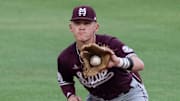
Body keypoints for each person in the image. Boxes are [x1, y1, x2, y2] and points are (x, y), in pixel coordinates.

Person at [57, 5, 148, 101]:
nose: (81, 27)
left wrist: (118, 62)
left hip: (129, 95)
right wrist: (70, 95)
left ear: (96, 27)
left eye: (87, 23)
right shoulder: (66, 58)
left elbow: (140, 64)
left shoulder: (110, 44)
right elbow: (65, 80)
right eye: (77, 23)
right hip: (97, 98)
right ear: (71, 27)